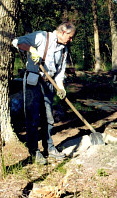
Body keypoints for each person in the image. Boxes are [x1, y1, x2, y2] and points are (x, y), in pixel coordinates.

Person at [12, 22, 76, 165]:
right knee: (32, 117)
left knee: (48, 118)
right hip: (33, 81)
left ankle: (50, 148)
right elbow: (16, 41)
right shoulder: (41, 36)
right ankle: (34, 150)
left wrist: (61, 87)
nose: (71, 40)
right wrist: (31, 50)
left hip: (49, 83)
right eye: (70, 37)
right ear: (63, 32)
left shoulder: (64, 49)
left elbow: (60, 72)